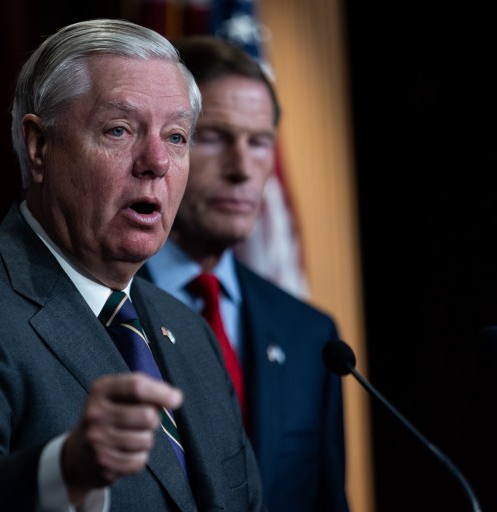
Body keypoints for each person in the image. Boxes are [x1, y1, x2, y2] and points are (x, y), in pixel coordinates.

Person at [0, 19, 266, 512]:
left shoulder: (190, 333)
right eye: (119, 130)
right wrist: (63, 472)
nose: (157, 161)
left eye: (177, 137)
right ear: (39, 147)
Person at [138, 36, 350, 512]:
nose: (242, 169)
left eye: (259, 142)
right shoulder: (107, 311)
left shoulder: (311, 335)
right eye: (214, 137)